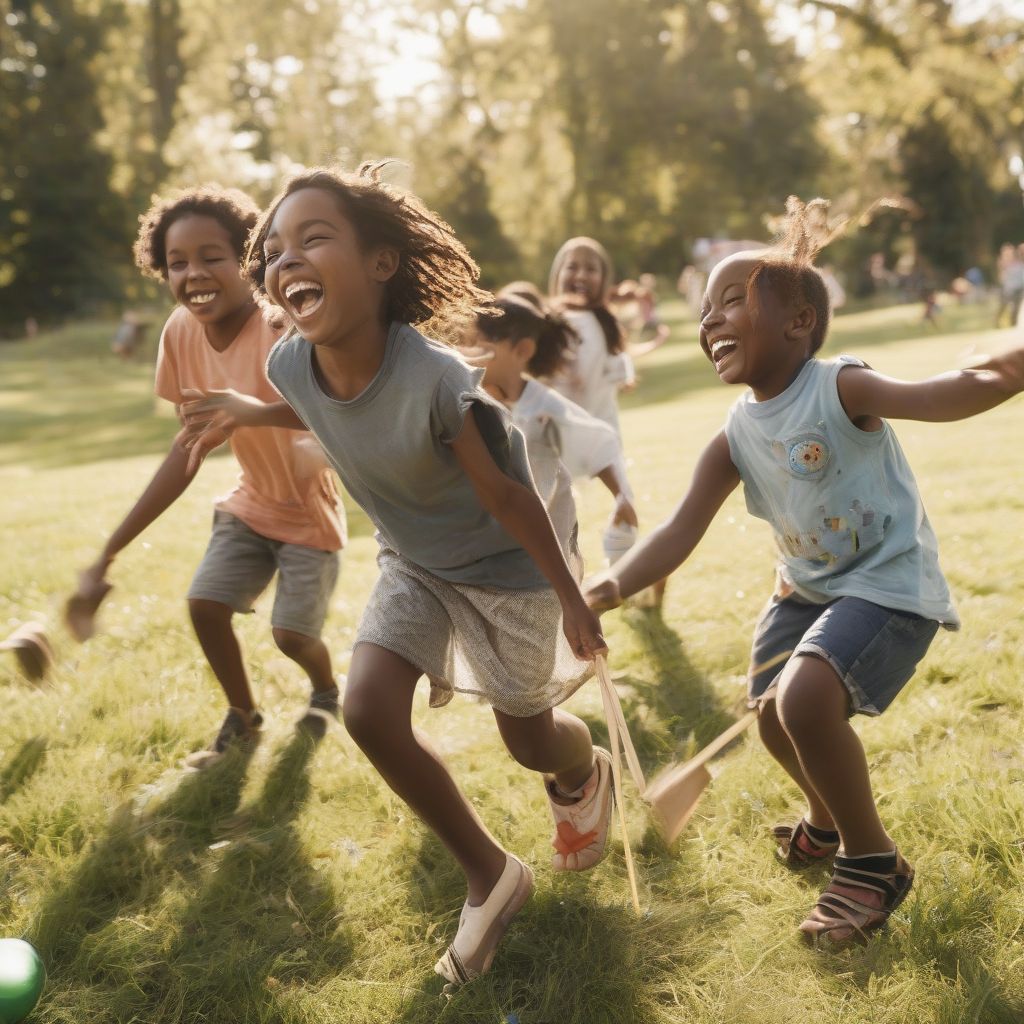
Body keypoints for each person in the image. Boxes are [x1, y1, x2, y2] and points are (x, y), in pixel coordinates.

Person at [180, 163, 610, 986]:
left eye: (313, 239)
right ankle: (492, 874)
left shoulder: (442, 382)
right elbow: (322, 402)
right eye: (273, 250)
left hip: (507, 570)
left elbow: (513, 500)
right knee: (371, 711)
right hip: (414, 563)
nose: (286, 260)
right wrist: (247, 411)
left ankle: (578, 765)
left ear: (381, 263)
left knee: (529, 740)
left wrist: (573, 599)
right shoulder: (290, 367)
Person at [584, 196, 1024, 947]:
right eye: (704, 309)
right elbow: (680, 528)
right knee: (770, 715)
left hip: (888, 584)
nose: (710, 320)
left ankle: (871, 860)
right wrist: (605, 589)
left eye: (731, 302)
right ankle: (825, 820)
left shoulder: (840, 387)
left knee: (807, 698)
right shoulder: (733, 435)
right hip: (806, 589)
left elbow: (936, 398)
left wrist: (1006, 372)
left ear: (797, 324)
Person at [66, 185, 346, 766]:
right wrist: (106, 555)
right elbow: (189, 447)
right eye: (177, 262)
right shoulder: (179, 333)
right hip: (251, 502)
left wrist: (258, 414)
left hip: (310, 510)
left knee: (292, 637)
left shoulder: (282, 328)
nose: (194, 273)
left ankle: (324, 689)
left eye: (212, 256)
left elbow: (334, 410)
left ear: (249, 259)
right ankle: (242, 718)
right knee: (205, 603)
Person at [461, 293, 638, 554]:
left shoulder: (544, 407)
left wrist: (622, 497)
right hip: (487, 542)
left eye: (478, 344)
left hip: (543, 544)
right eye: (464, 343)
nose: (466, 354)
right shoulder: (466, 400)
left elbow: (599, 444)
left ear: (522, 350)